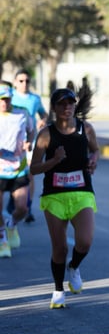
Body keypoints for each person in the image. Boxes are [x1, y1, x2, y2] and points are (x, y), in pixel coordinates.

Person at [30, 84, 100, 309]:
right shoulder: (46, 135)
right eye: (62, 104)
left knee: (85, 241)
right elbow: (34, 169)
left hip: (81, 193)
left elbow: (95, 150)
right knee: (59, 248)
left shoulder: (85, 128)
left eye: (70, 103)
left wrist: (93, 160)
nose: (67, 107)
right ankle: (58, 289)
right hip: (54, 196)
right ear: (54, 108)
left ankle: (74, 267)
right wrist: (54, 161)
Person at [0, 83, 33, 257]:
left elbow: (31, 130)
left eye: (6, 99)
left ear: (11, 98)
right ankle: (2, 238)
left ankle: (11, 224)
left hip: (18, 168)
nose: (4, 103)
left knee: (22, 208)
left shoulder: (22, 113)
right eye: (1, 100)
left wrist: (29, 143)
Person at [10, 70, 45, 223]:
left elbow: (44, 114)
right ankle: (15, 197)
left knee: (29, 174)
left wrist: (42, 121)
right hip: (11, 143)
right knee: (12, 174)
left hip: (30, 141)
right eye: (21, 81)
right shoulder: (8, 96)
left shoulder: (35, 99)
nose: (24, 84)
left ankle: (28, 207)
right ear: (15, 82)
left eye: (27, 81)